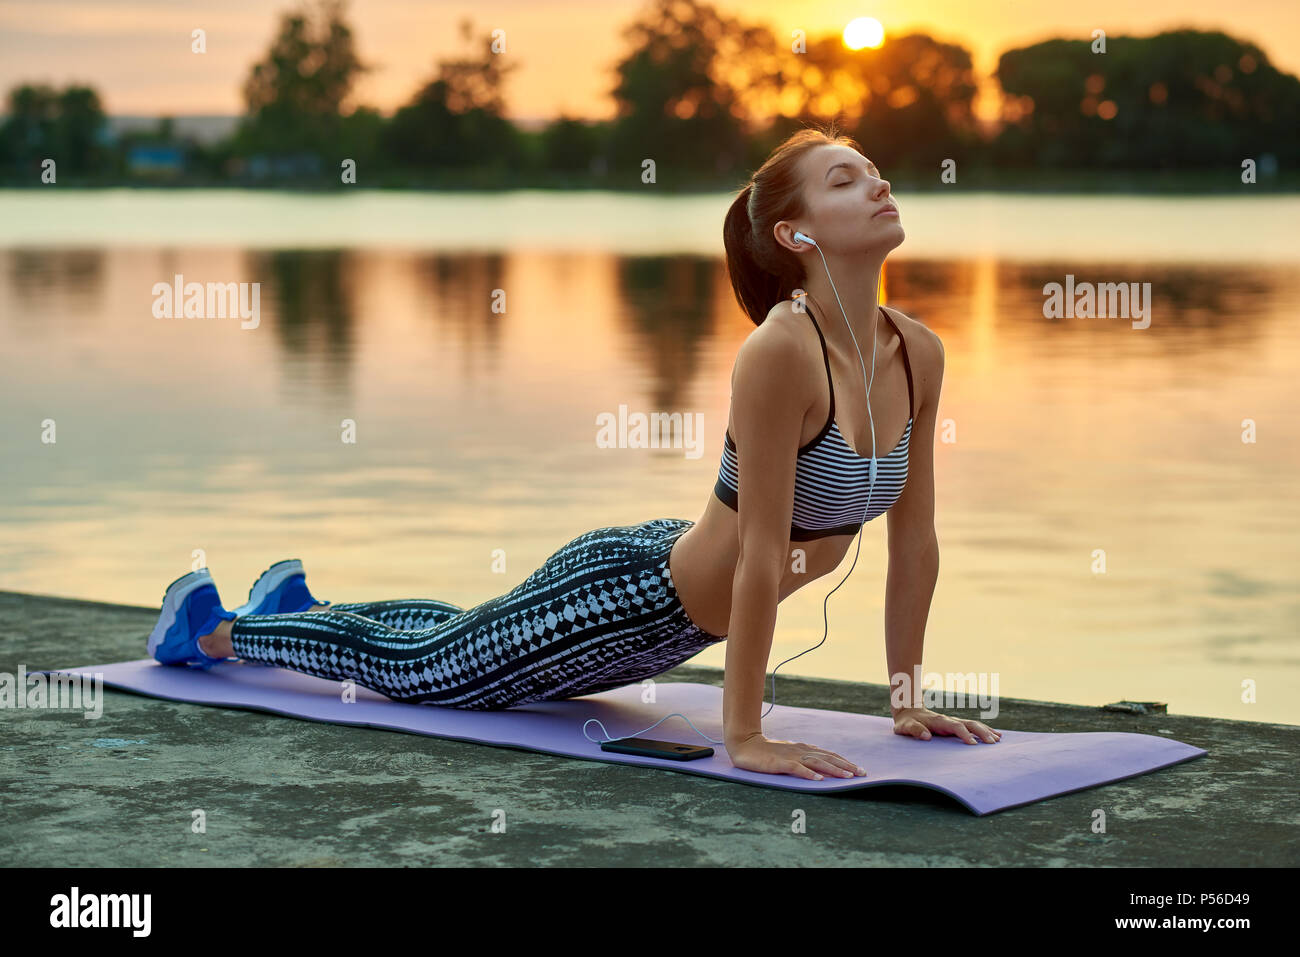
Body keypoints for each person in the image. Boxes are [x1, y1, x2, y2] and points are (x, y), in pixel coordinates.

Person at [147, 124, 999, 783]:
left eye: (872, 169)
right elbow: (758, 556)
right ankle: (220, 628)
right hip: (619, 598)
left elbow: (914, 539)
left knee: (460, 638)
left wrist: (907, 701)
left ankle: (295, 603)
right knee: (422, 669)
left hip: (671, 617)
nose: (879, 182)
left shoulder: (917, 351)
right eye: (843, 180)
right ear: (796, 236)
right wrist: (746, 736)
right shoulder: (781, 351)